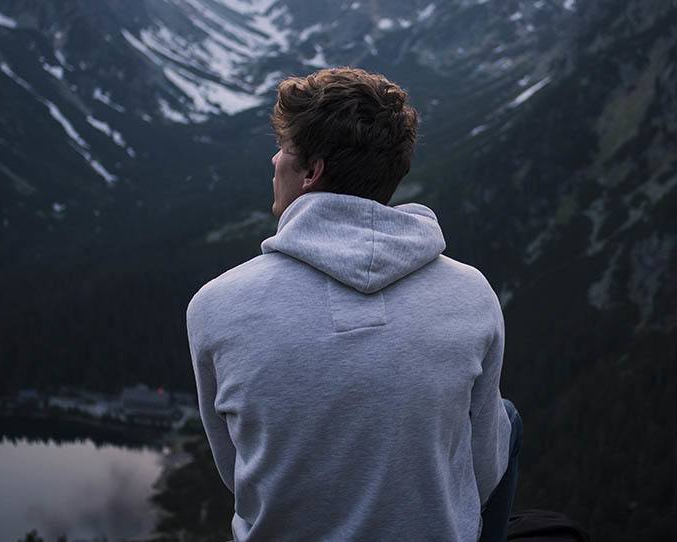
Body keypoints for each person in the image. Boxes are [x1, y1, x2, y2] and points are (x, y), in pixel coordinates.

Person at [186, 67, 521, 542]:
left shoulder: (215, 304)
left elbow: (236, 469)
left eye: (284, 148)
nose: (274, 159)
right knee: (506, 419)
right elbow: (484, 472)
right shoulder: (471, 291)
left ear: (311, 172)